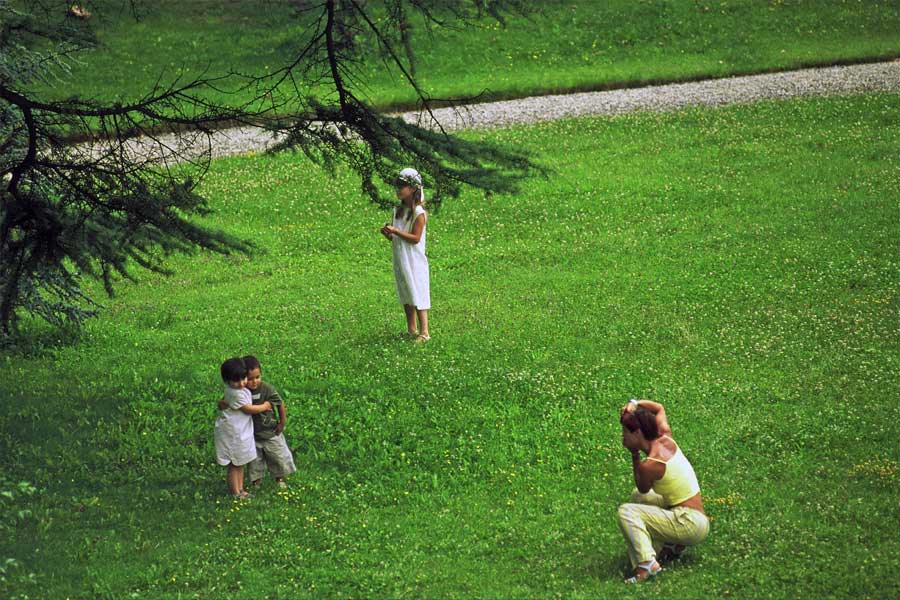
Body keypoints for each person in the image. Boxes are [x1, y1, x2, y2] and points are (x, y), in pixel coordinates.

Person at [616, 398, 709, 583]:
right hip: (695, 516)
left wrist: (634, 455)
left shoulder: (651, 465)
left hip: (689, 523)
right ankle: (672, 545)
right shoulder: (665, 436)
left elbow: (643, 486)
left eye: (626, 432)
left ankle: (646, 564)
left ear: (638, 433)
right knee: (638, 497)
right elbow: (658, 408)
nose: (622, 437)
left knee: (626, 511)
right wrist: (635, 403)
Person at [218, 356, 296, 488]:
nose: (254, 381)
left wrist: (282, 422)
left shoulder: (267, 389)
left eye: (257, 377)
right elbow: (229, 401)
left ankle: (280, 478)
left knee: (277, 455)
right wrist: (222, 404)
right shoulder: (240, 391)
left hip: (270, 430)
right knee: (254, 460)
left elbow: (279, 403)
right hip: (251, 433)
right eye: (250, 378)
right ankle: (256, 481)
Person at [380, 167, 431, 342]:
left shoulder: (419, 213)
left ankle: (424, 332)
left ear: (414, 189)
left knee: (417, 292)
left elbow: (415, 238)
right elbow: (398, 237)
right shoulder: (398, 211)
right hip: (401, 258)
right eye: (398, 185)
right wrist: (389, 233)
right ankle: (411, 329)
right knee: (405, 292)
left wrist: (396, 232)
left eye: (403, 186)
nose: (398, 189)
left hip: (414, 260)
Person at [214, 357, 272, 499]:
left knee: (240, 462)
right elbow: (248, 409)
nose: (242, 383)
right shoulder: (236, 393)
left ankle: (240, 490)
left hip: (239, 429)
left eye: (243, 378)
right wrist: (264, 406)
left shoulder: (237, 389)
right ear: (227, 381)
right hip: (233, 431)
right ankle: (236, 492)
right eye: (236, 381)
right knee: (235, 463)